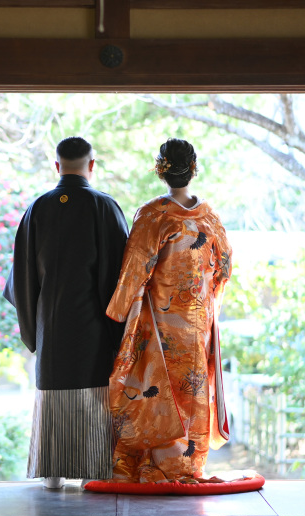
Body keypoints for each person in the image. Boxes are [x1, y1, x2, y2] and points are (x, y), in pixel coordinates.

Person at [3, 136, 129, 489]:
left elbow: (21, 276)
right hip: (94, 325)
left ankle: (52, 477)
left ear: (57, 166)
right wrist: (119, 329)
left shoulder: (38, 208)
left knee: (55, 393)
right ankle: (92, 474)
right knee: (93, 394)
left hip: (51, 325)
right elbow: (125, 275)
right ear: (92, 166)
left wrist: (35, 324)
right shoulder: (105, 207)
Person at [106, 138, 232, 483]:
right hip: (198, 321)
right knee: (192, 389)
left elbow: (135, 268)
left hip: (160, 320)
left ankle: (155, 463)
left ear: (160, 170)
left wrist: (119, 313)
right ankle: (188, 464)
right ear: (194, 168)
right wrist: (205, 301)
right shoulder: (210, 217)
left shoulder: (152, 214)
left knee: (156, 390)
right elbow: (224, 267)